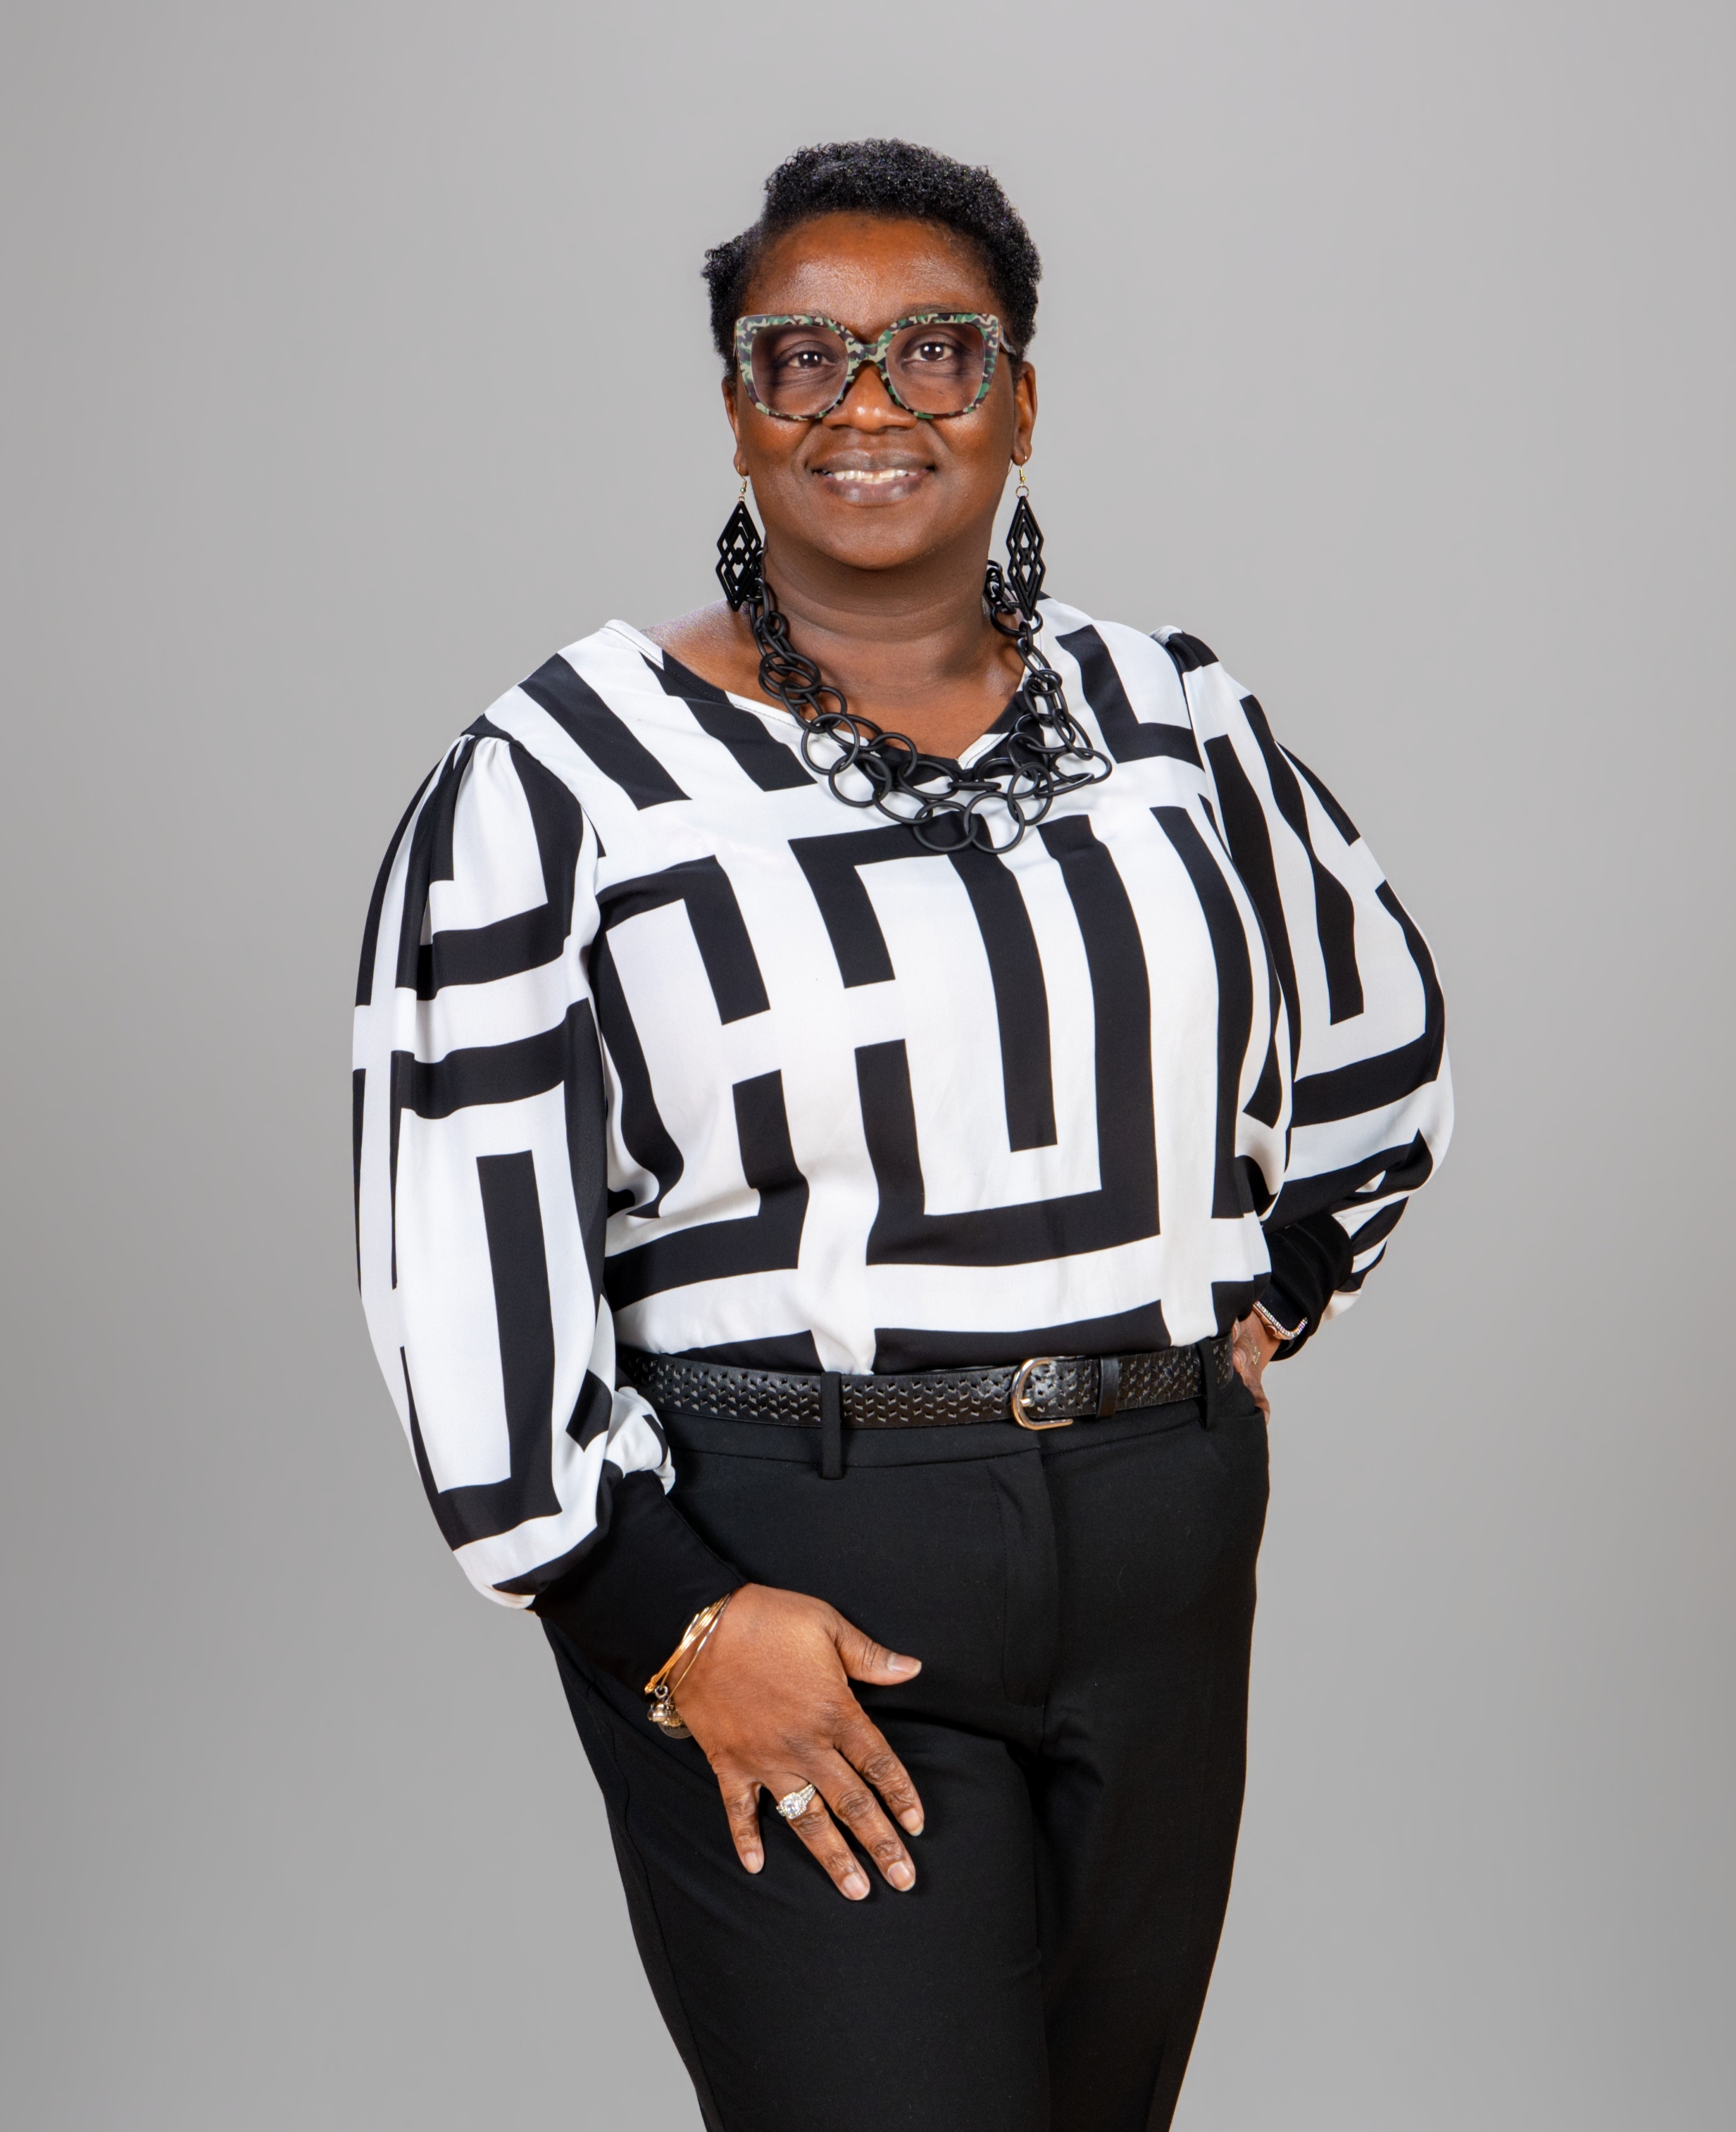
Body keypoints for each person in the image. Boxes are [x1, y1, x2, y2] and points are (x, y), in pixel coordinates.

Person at [353, 139, 1452, 2132]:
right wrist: (662, 1616)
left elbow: (1375, 1038)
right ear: (736, 409)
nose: (869, 405)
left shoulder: (1170, 715)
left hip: (1160, 1535)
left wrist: (1263, 1296)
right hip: (796, 1548)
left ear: (1020, 399)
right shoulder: (561, 773)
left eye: (937, 351)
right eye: (803, 357)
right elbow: (459, 1233)